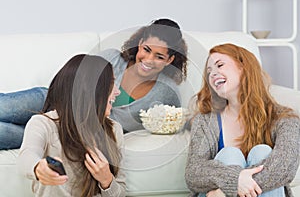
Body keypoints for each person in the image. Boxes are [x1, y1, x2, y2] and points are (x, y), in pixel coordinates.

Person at [0, 18, 188, 150]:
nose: (148, 59)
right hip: (52, 101)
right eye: (146, 50)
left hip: (67, 134)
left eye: (159, 56)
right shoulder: (111, 58)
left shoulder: (165, 94)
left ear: (170, 60)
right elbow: (72, 83)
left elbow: (171, 124)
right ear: (139, 44)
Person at [185, 43, 300, 197]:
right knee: (229, 155)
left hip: (221, 194)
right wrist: (235, 180)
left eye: (219, 65)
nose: (212, 74)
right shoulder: (205, 120)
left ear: (244, 67)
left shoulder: (285, 119)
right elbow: (193, 173)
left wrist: (225, 191)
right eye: (209, 71)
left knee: (262, 152)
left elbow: (285, 167)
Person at [17, 54, 126, 197]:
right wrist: (38, 168)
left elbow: (121, 191)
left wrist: (106, 180)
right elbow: (27, 154)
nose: (117, 92)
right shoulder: (44, 123)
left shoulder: (113, 129)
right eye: (111, 84)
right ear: (91, 89)